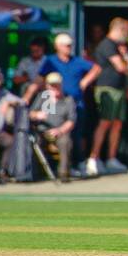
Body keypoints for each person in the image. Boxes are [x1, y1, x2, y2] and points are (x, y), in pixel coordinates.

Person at [37, 33, 100, 168]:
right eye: (66, 45)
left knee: (76, 135)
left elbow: (96, 68)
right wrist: (41, 94)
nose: (69, 48)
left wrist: (85, 82)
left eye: (70, 45)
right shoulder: (50, 61)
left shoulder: (77, 61)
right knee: (47, 130)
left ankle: (78, 162)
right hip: (53, 102)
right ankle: (47, 166)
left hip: (74, 102)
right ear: (58, 47)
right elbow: (40, 78)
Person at [87, 17, 128, 177]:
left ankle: (111, 158)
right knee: (104, 123)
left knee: (117, 124)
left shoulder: (116, 47)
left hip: (119, 88)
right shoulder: (107, 44)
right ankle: (93, 158)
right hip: (107, 89)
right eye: (127, 31)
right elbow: (121, 67)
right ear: (120, 29)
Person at [28, 72, 77, 181]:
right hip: (42, 131)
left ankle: (63, 173)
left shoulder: (68, 99)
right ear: (47, 85)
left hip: (59, 132)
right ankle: (35, 172)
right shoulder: (42, 97)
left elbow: (71, 121)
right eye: (52, 85)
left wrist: (59, 130)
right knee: (34, 142)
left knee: (65, 142)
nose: (55, 87)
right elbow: (30, 114)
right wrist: (37, 115)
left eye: (57, 85)